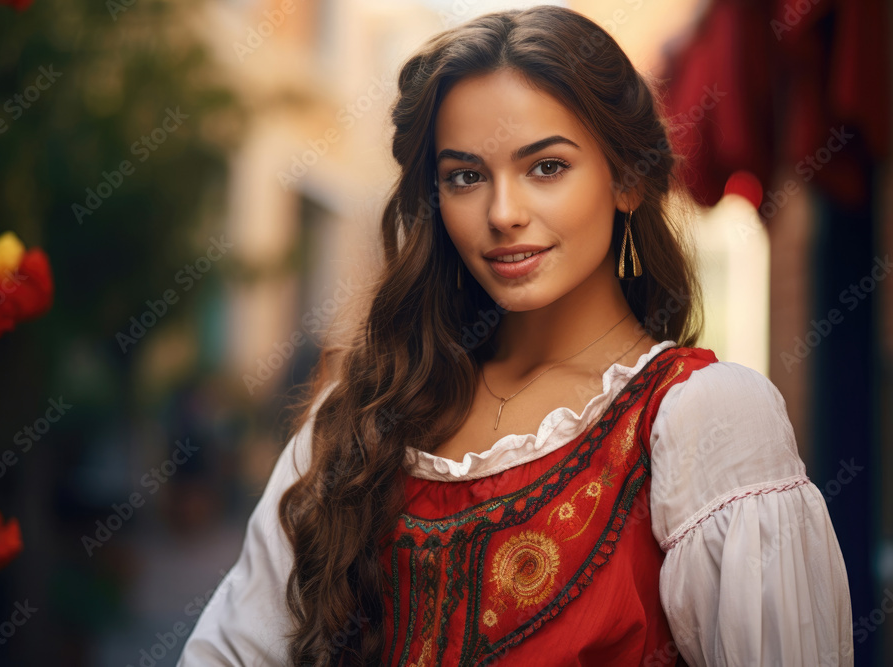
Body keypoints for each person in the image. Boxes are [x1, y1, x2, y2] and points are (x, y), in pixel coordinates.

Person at [176, 6, 853, 666]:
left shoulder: (703, 420)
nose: (503, 213)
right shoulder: (359, 416)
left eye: (547, 167)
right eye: (466, 177)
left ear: (628, 179)